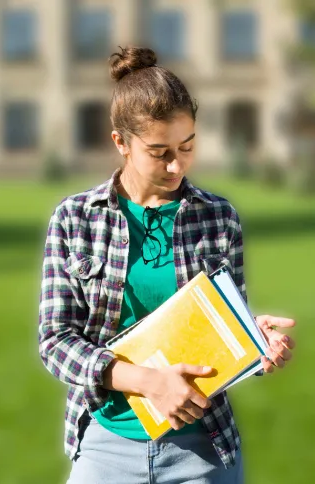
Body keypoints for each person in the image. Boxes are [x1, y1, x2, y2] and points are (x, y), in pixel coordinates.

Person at [38, 46, 296, 484]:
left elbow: (218, 325)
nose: (177, 164)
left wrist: (255, 343)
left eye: (188, 146)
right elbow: (56, 342)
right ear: (120, 142)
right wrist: (147, 382)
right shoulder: (74, 218)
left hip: (203, 450)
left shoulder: (219, 216)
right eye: (160, 152)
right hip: (106, 445)